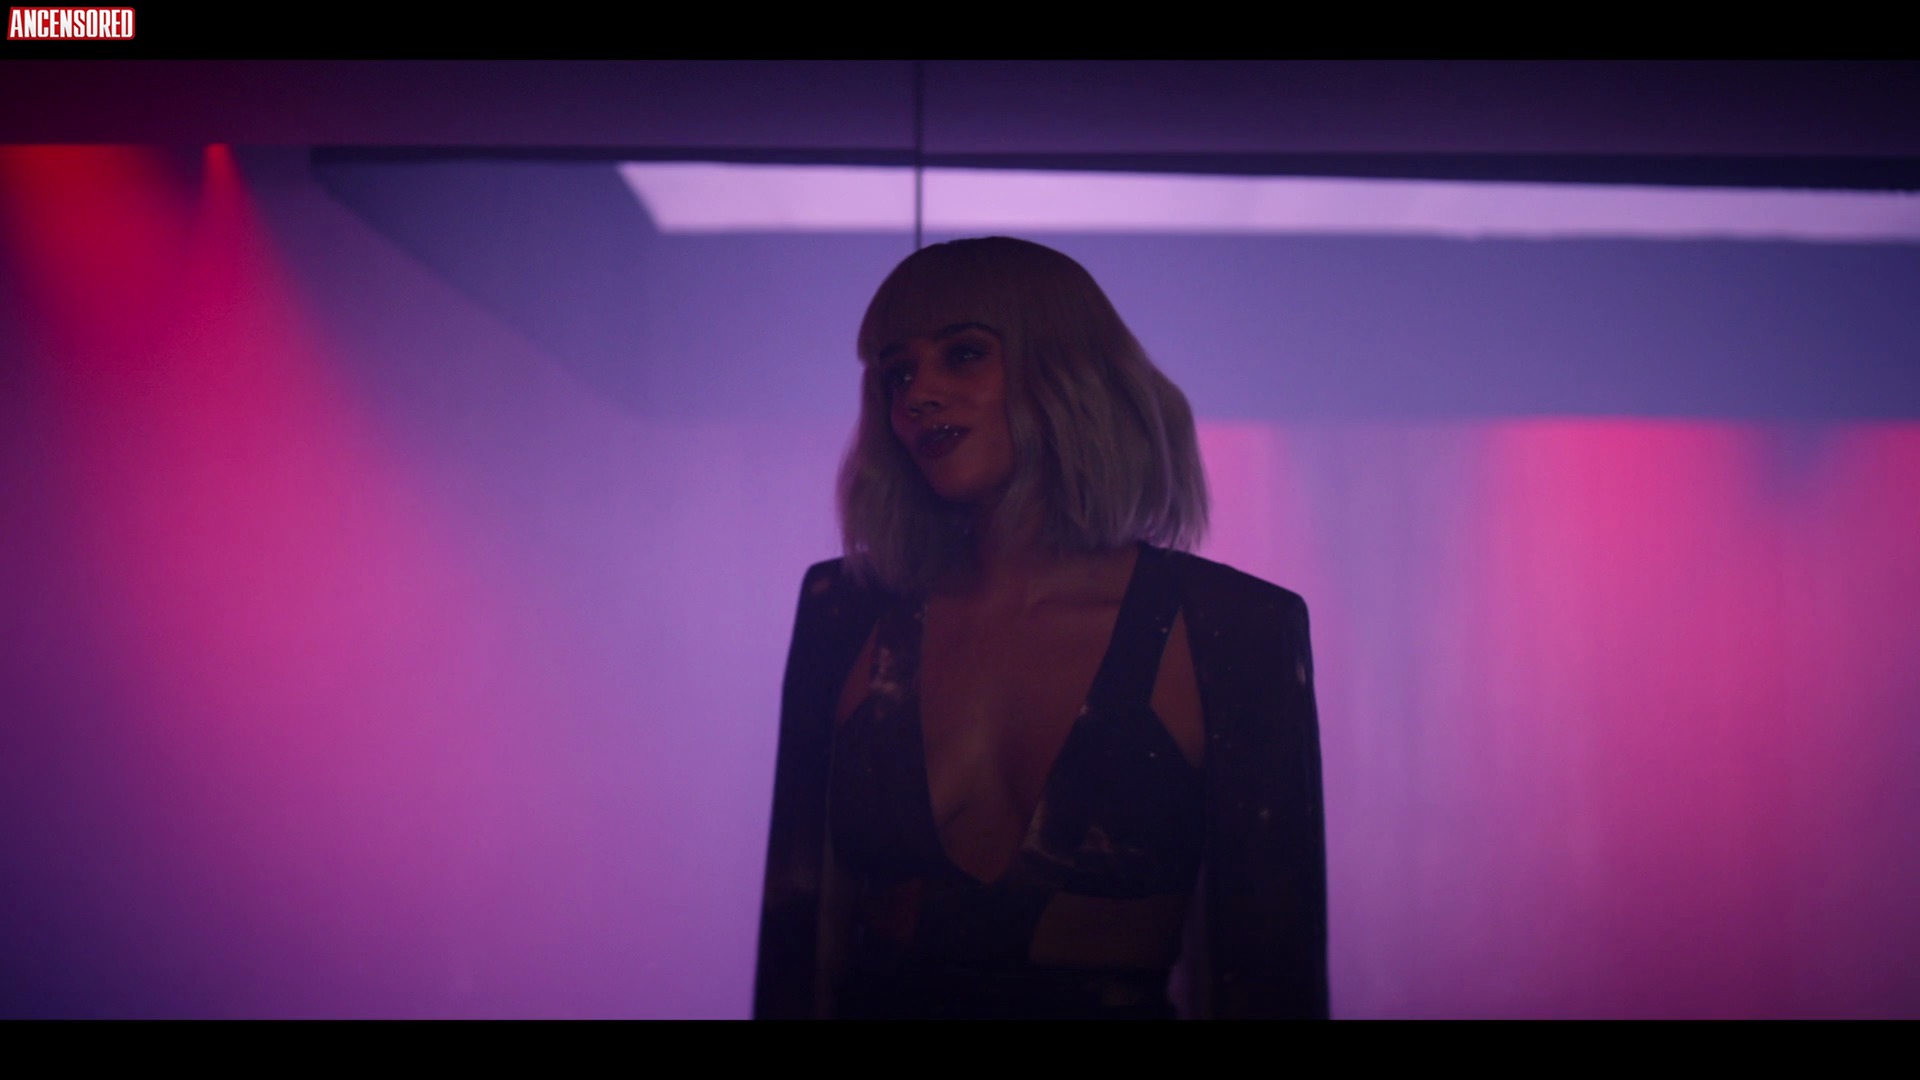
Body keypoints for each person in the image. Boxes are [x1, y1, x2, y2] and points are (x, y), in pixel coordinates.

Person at [754, 237, 1327, 1019]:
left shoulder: (1234, 627)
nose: (917, 395)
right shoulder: (846, 608)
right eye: (898, 373)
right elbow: (797, 931)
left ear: (1066, 371)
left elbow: (1272, 964)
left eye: (963, 354)